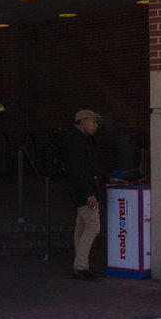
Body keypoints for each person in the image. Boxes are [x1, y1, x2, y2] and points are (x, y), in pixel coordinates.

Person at [66, 108, 104, 280]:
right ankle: (81, 266)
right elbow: (80, 169)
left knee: (81, 226)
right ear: (83, 121)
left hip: (78, 190)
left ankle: (80, 264)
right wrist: (89, 192)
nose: (95, 126)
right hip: (85, 190)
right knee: (93, 226)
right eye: (93, 122)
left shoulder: (77, 139)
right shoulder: (78, 142)